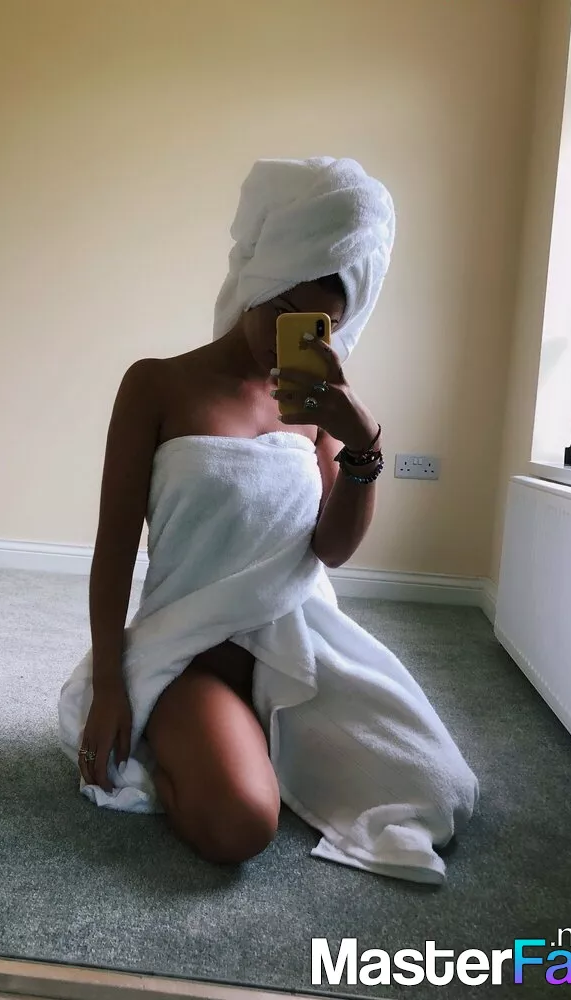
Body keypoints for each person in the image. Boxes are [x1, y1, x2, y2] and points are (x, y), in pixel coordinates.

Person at [58, 157, 478, 883]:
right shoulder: (157, 384)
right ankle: (200, 739)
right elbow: (115, 549)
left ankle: (255, 739)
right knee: (241, 824)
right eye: (285, 312)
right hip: (192, 651)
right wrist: (110, 685)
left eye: (322, 326)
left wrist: (363, 445)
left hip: (297, 643)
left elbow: (332, 550)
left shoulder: (319, 408)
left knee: (436, 792)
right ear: (256, 280)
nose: (297, 339)